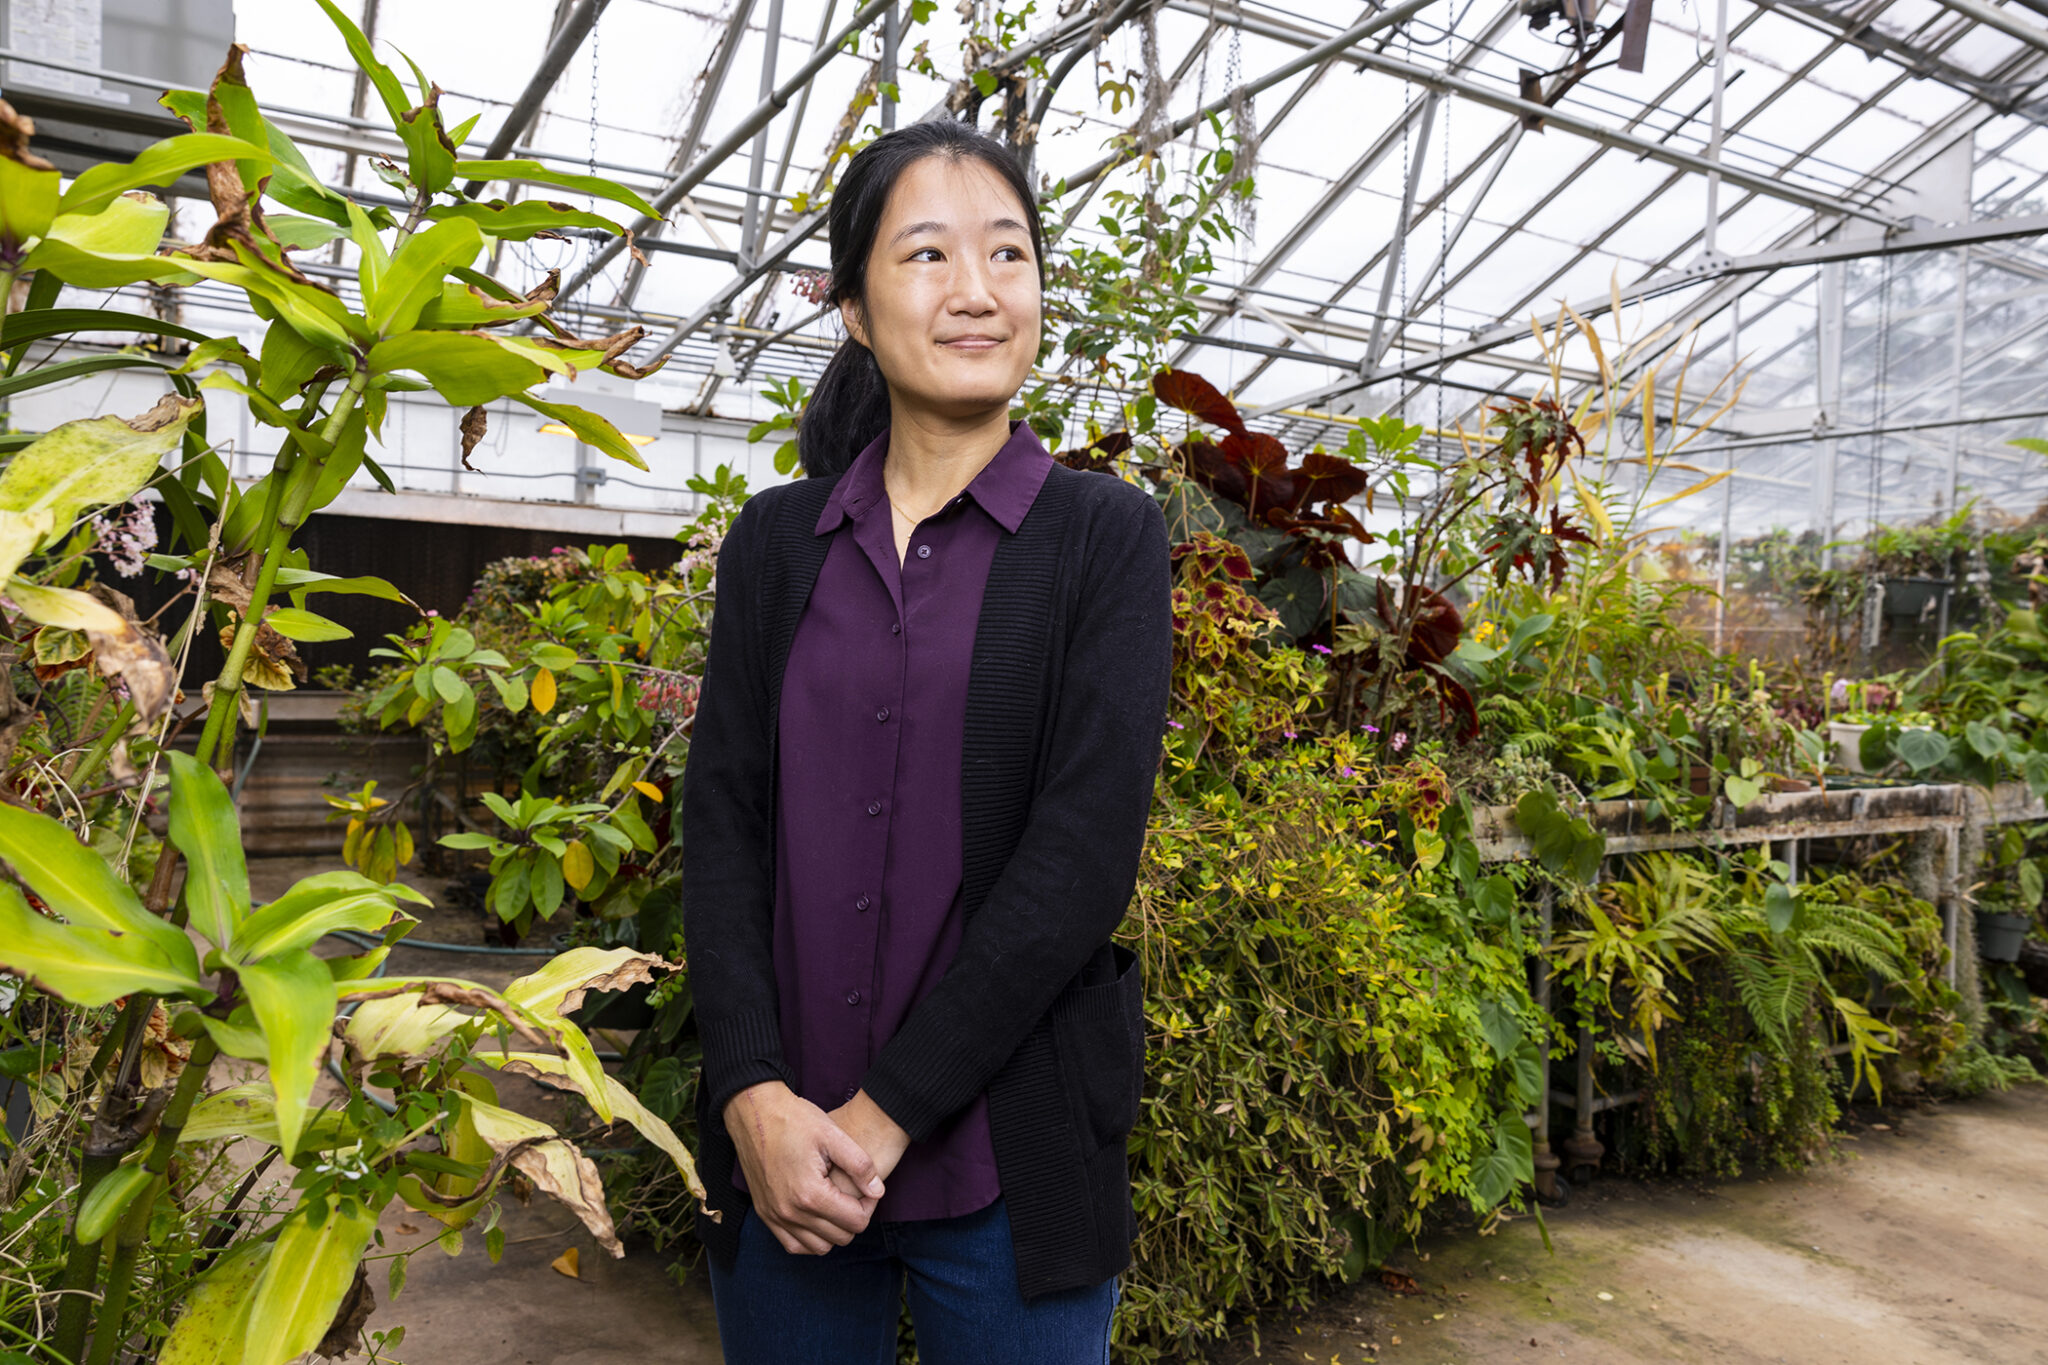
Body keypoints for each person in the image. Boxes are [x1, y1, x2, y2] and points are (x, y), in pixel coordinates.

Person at [680, 118, 1172, 1363]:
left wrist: (885, 1114)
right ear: (852, 306)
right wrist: (749, 1094)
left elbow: (1080, 862)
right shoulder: (776, 544)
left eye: (1007, 254)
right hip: (781, 1155)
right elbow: (724, 826)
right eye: (927, 255)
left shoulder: (1103, 538)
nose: (975, 291)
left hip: (1009, 1164)